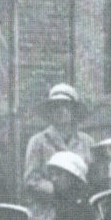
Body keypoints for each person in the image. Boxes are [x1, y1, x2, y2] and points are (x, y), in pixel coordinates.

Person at [22, 83, 95, 213]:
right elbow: (31, 180)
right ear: (50, 112)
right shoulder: (38, 142)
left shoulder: (87, 142)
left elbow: (94, 176)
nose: (61, 111)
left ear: (74, 111)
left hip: (82, 210)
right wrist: (57, 190)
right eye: (55, 106)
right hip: (48, 210)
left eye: (66, 106)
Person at [45, 151, 94, 220]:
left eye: (59, 174)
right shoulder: (56, 202)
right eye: (52, 174)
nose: (54, 179)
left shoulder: (88, 203)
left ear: (73, 177)